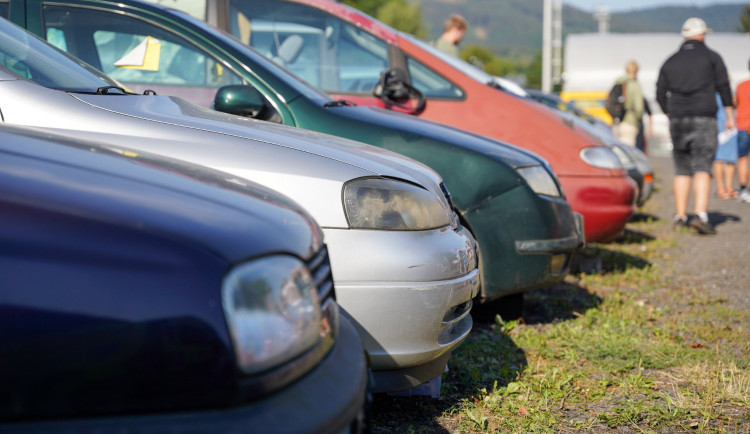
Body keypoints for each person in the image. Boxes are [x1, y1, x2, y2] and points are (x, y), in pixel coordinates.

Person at [656, 17, 734, 235]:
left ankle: (680, 216)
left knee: (681, 169)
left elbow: (659, 92)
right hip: (704, 118)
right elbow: (723, 86)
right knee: (702, 168)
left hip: (678, 118)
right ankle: (701, 215)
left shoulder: (670, 61)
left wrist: (669, 111)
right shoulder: (712, 57)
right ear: (701, 35)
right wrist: (729, 115)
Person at [612, 60, 645, 147]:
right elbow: (639, 108)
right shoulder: (635, 85)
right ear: (636, 71)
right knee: (627, 152)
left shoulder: (619, 82)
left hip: (617, 122)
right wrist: (638, 119)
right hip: (630, 121)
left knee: (619, 150)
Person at [713, 92, 739, 199]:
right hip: (719, 128)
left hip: (732, 128)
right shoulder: (713, 94)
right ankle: (720, 187)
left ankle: (728, 187)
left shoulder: (729, 93)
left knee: (730, 159)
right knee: (719, 159)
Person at [736, 59, 750, 202]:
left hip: (742, 125)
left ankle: (742, 189)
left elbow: (736, 103)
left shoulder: (741, 86)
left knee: (743, 158)